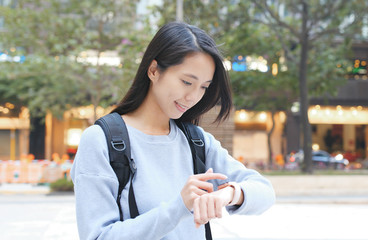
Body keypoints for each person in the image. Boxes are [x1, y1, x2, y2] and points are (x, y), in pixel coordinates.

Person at [70, 22, 275, 239]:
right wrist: (178, 207)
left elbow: (264, 191)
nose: (193, 96)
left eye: (204, 87)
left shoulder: (196, 141)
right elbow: (98, 236)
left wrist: (229, 194)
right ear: (154, 70)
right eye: (187, 82)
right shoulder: (102, 141)